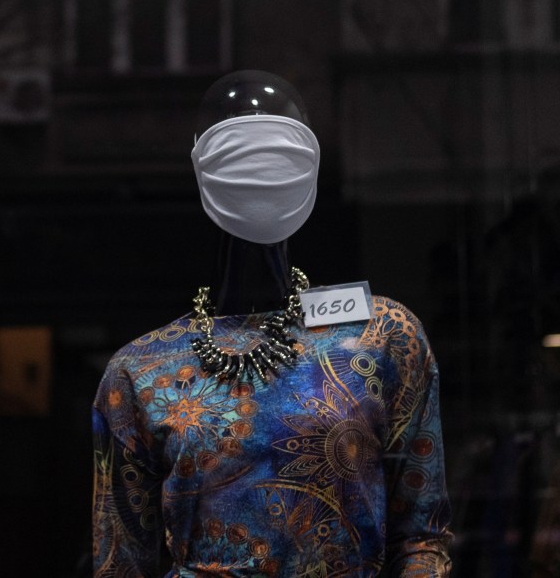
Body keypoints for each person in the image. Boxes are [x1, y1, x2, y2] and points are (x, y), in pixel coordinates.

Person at [91, 70, 453, 576]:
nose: (259, 162)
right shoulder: (140, 372)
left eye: (276, 139)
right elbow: (120, 564)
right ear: (201, 165)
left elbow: (422, 540)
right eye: (239, 139)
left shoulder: (383, 338)